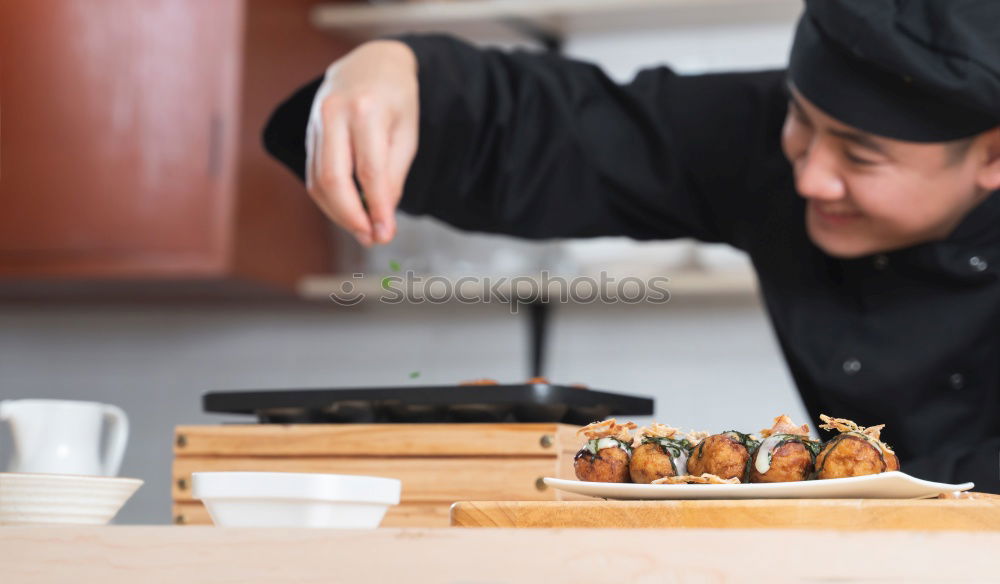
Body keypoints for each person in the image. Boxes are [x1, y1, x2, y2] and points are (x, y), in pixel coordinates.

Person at [263, 0, 1000, 492]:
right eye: (801, 121)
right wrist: (399, 71)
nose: (808, 173)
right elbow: (561, 129)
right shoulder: (765, 144)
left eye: (860, 158)